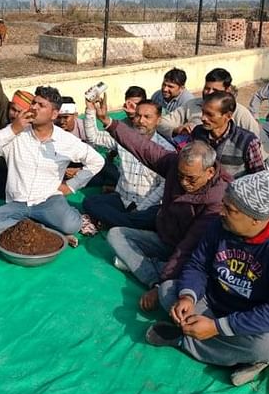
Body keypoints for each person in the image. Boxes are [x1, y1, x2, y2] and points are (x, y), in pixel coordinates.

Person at [147, 171, 269, 386]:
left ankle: (185, 340)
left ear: (256, 219)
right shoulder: (220, 225)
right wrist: (188, 296)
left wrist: (216, 327)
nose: (221, 212)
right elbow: (198, 264)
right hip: (221, 302)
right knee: (168, 291)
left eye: (230, 209)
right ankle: (240, 356)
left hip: (267, 321)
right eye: (224, 204)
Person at [96, 97, 229, 292]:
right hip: (164, 237)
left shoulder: (217, 199)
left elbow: (189, 245)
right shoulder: (173, 163)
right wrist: (108, 122)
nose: (184, 182)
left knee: (172, 287)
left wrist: (164, 279)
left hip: (191, 253)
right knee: (115, 234)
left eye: (191, 179)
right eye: (180, 176)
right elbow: (142, 147)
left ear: (209, 172)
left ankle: (155, 274)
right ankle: (154, 274)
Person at [0, 86, 104, 237]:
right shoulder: (15, 134)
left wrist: (72, 185)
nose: (34, 108)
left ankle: (33, 225)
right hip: (18, 202)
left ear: (54, 114)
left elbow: (97, 161)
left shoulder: (66, 140)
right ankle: (39, 228)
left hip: (49, 200)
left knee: (71, 226)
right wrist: (13, 129)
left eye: (41, 105)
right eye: (33, 103)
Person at [81, 99, 173, 233]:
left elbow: (164, 186)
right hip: (123, 199)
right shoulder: (124, 138)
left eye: (147, 117)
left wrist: (140, 209)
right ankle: (128, 224)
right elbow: (94, 137)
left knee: (157, 216)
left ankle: (118, 222)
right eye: (138, 116)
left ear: (158, 120)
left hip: (148, 206)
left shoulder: (166, 150)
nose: (141, 121)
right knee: (90, 202)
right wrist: (90, 109)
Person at [0, 29, 35, 199]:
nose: (14, 114)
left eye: (19, 111)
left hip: (12, 173)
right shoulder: (3, 108)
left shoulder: (31, 126)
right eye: (13, 109)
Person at [157, 68, 260, 141]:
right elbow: (161, 122)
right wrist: (177, 129)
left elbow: (255, 140)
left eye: (215, 90)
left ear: (227, 90)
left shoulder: (240, 113)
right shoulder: (192, 105)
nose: (209, 93)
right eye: (207, 88)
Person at [190, 91, 264, 179]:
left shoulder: (247, 142)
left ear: (228, 116)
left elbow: (259, 178)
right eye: (203, 112)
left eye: (210, 115)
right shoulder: (198, 133)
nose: (203, 118)